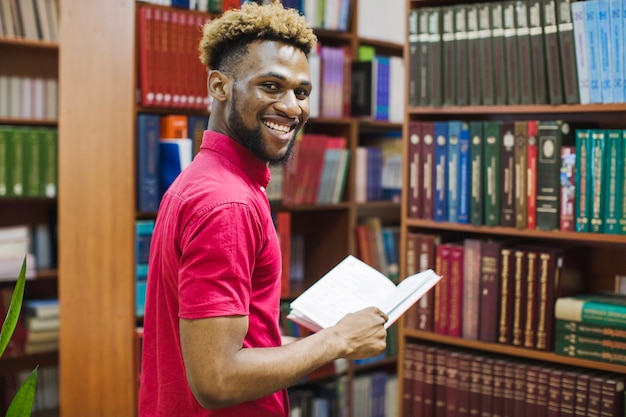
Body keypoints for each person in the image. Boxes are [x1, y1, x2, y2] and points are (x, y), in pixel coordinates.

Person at [138, 1, 389, 416]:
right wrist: (337, 340)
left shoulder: (203, 181)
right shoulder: (227, 204)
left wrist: (329, 340)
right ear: (219, 87)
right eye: (271, 86)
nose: (292, 107)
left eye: (301, 92)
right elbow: (217, 380)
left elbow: (226, 347)